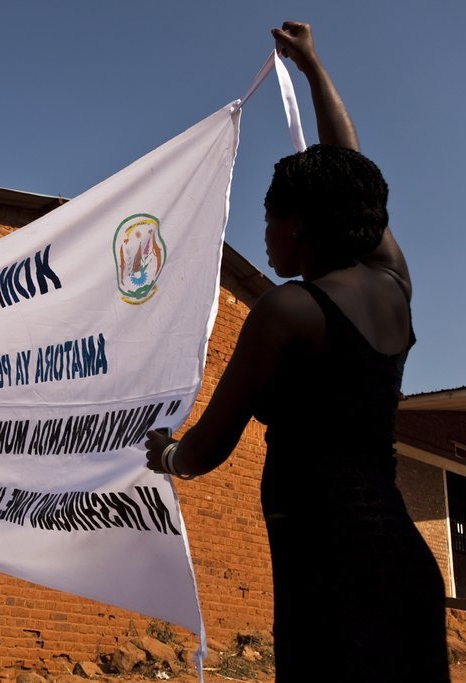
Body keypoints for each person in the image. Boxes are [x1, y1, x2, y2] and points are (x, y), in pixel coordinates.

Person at [144, 22, 449, 682]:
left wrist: (165, 454)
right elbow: (352, 172)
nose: (264, 233)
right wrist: (312, 66)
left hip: (329, 577)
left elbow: (208, 448)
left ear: (299, 223)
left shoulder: (288, 311)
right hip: (404, 566)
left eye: (269, 217)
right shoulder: (393, 285)